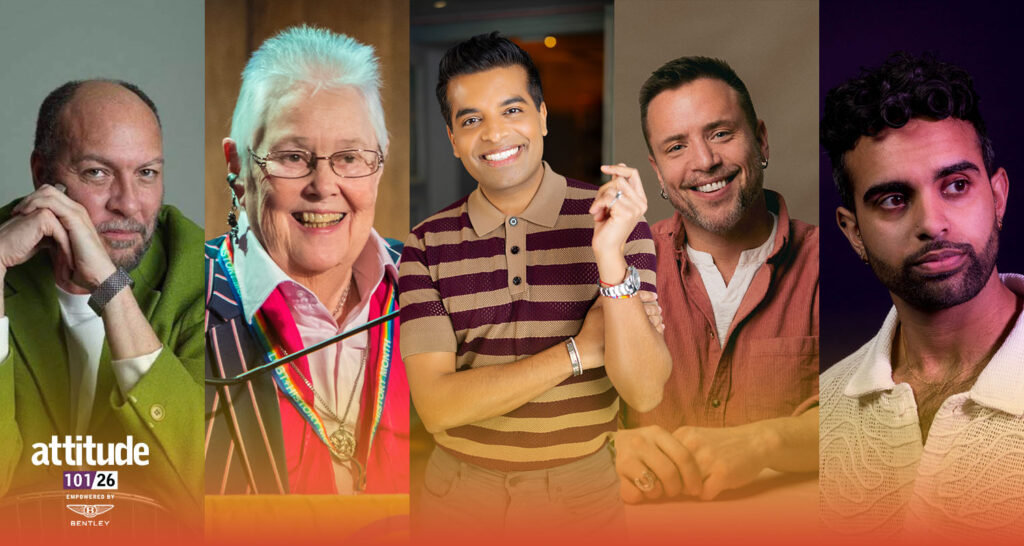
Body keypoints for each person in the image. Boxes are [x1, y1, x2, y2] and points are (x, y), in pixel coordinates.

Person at [399, 32, 671, 541]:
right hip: (457, 499)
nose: (495, 134)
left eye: (512, 110)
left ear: (542, 116)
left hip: (583, 496)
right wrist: (579, 351)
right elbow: (436, 408)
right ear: (453, 139)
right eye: (472, 120)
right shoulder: (425, 245)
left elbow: (645, 389)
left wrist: (609, 260)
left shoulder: (617, 222)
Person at [819, 52, 1023, 540]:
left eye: (955, 185)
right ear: (852, 232)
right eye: (893, 199)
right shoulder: (823, 407)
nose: (931, 223)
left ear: (996, 197)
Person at [204, 25, 408, 496]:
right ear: (237, 167)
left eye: (350, 157)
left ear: (380, 165)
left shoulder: (433, 284)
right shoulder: (184, 302)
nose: (323, 185)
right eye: (293, 157)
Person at [613, 56, 819, 503]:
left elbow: (873, 415)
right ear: (657, 171)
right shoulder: (622, 267)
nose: (704, 162)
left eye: (720, 133)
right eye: (676, 147)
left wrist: (766, 442)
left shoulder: (832, 265)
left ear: (761, 139)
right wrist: (609, 445)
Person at [0, 80, 203, 517]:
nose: (128, 204)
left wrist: (111, 288)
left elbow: (198, 484)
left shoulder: (202, 276)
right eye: (98, 172)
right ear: (42, 175)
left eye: (146, 173)